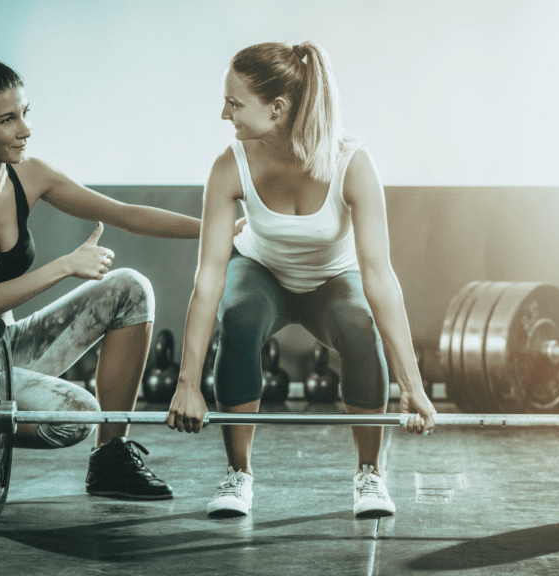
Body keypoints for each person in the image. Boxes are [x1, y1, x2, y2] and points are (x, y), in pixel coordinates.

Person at [0, 48, 219, 502]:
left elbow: (126, 214)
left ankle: (110, 457)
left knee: (131, 289)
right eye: (7, 119)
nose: (25, 130)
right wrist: (65, 266)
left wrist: (221, 231)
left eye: (25, 113)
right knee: (75, 416)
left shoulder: (30, 176)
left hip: (4, 354)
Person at [165, 41, 437, 518]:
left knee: (359, 323)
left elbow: (378, 276)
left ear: (277, 108)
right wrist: (189, 382)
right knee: (240, 316)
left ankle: (370, 474)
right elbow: (208, 278)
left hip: (333, 278)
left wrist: (410, 384)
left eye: (234, 103)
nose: (223, 113)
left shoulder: (351, 162)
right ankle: (238, 474)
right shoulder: (230, 165)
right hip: (260, 272)